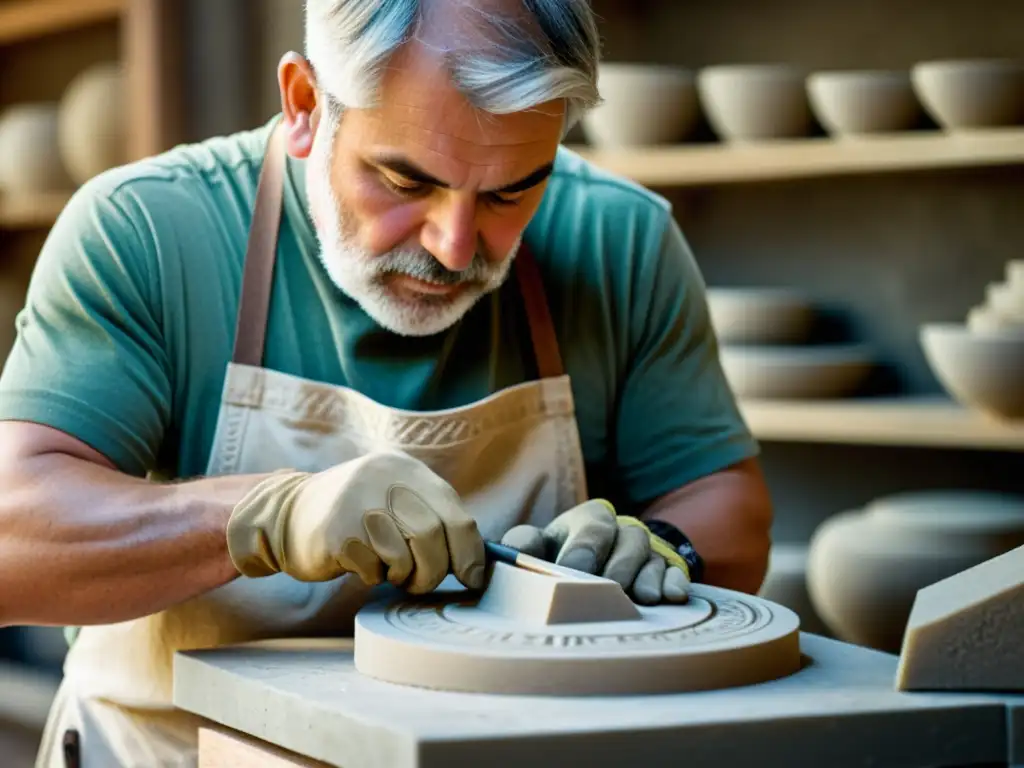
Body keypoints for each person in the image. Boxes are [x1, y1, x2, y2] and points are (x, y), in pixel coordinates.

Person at [0, 0, 773, 765]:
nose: (454, 244)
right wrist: (269, 514)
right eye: (405, 182)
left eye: (512, 191)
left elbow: (728, 509)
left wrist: (665, 550)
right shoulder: (147, 231)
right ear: (305, 104)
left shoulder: (617, 240)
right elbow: (12, 543)